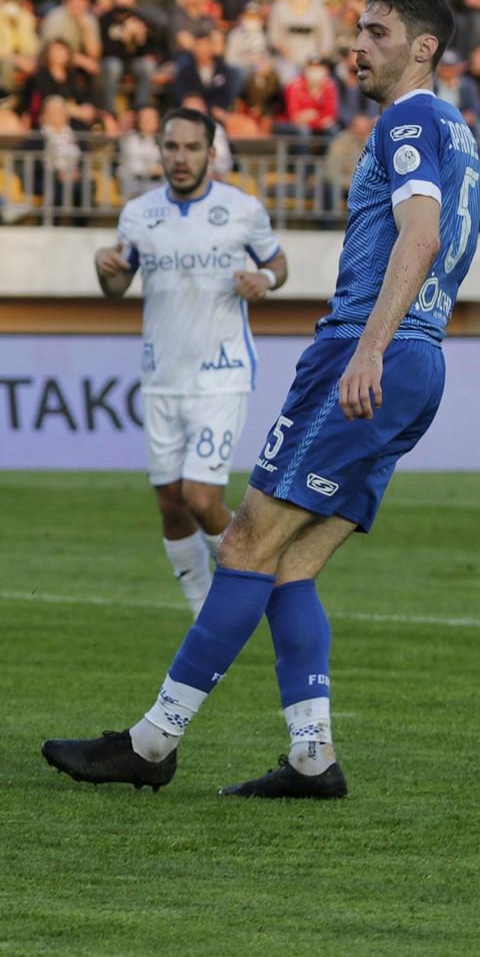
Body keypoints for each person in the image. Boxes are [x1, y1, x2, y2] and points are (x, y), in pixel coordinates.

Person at [44, 0, 480, 799]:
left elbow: (419, 237)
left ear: (424, 48)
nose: (358, 45)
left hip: (368, 351)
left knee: (246, 540)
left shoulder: (407, 119)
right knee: (291, 565)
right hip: (423, 359)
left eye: (378, 32)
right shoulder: (457, 129)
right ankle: (312, 757)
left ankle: (151, 742)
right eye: (359, 29)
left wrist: (368, 350)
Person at [93, 108, 288, 615]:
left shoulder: (241, 208)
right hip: (162, 375)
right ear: (159, 150)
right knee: (171, 504)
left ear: (211, 153)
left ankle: (253, 583)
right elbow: (117, 286)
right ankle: (204, 612)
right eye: (172, 147)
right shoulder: (139, 214)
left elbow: (277, 262)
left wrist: (264, 280)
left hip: (222, 374)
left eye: (192, 147)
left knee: (201, 497)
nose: (180, 158)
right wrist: (104, 267)